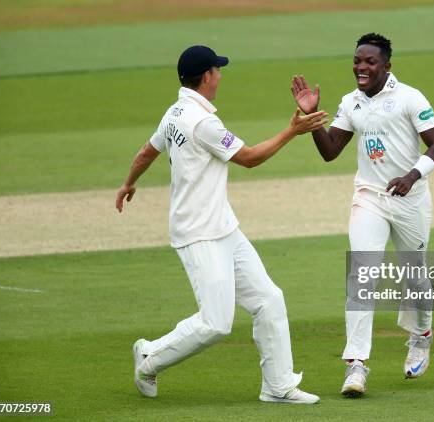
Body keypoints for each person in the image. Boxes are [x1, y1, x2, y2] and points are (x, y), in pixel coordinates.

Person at [116, 45, 327, 404]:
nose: (221, 75)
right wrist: (292, 130)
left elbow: (145, 152)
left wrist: (128, 182)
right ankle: (149, 357)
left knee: (269, 300)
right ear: (207, 76)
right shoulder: (202, 122)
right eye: (218, 70)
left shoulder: (175, 112)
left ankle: (278, 386)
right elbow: (250, 158)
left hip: (224, 228)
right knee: (215, 323)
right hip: (198, 234)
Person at [291, 33, 434, 397]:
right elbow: (331, 151)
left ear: (387, 66)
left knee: (415, 277)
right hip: (369, 198)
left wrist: (411, 175)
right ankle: (356, 365)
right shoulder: (351, 102)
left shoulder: (410, 97)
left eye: (370, 62)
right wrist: (313, 117)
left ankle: (421, 334)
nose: (361, 67)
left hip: (409, 198)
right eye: (357, 60)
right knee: (362, 274)